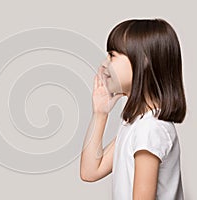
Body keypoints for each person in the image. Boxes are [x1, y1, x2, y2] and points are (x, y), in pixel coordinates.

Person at [80, 18, 186, 200]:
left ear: (143, 60)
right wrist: (100, 114)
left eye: (112, 55)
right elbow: (90, 171)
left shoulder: (150, 129)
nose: (105, 64)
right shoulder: (136, 123)